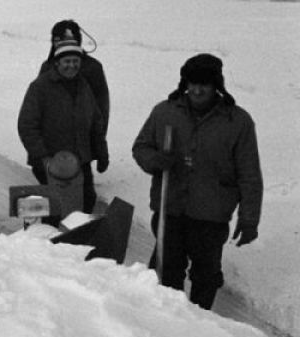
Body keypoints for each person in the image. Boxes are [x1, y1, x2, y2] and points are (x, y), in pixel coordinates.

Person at [131, 54, 262, 309]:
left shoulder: (237, 121)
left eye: (205, 84)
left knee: (205, 276)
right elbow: (141, 147)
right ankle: (167, 321)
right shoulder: (165, 112)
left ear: (217, 86)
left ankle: (201, 324)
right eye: (192, 83)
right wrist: (156, 160)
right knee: (165, 272)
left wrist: (249, 219)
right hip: (170, 209)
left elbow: (249, 175)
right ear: (184, 83)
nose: (198, 90)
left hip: (210, 215)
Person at [17, 39, 109, 214]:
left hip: (80, 159)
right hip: (51, 161)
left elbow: (96, 122)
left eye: (76, 61)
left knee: (87, 200)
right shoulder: (40, 87)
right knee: (55, 208)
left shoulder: (83, 86)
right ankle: (46, 240)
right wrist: (43, 157)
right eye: (67, 61)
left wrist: (101, 152)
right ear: (57, 62)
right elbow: (27, 125)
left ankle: (78, 239)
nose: (71, 66)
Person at [39, 19, 110, 134]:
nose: (60, 44)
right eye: (56, 40)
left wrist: (97, 140)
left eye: (66, 40)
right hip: (51, 139)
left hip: (85, 138)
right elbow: (36, 109)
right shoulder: (47, 67)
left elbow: (101, 109)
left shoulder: (93, 68)